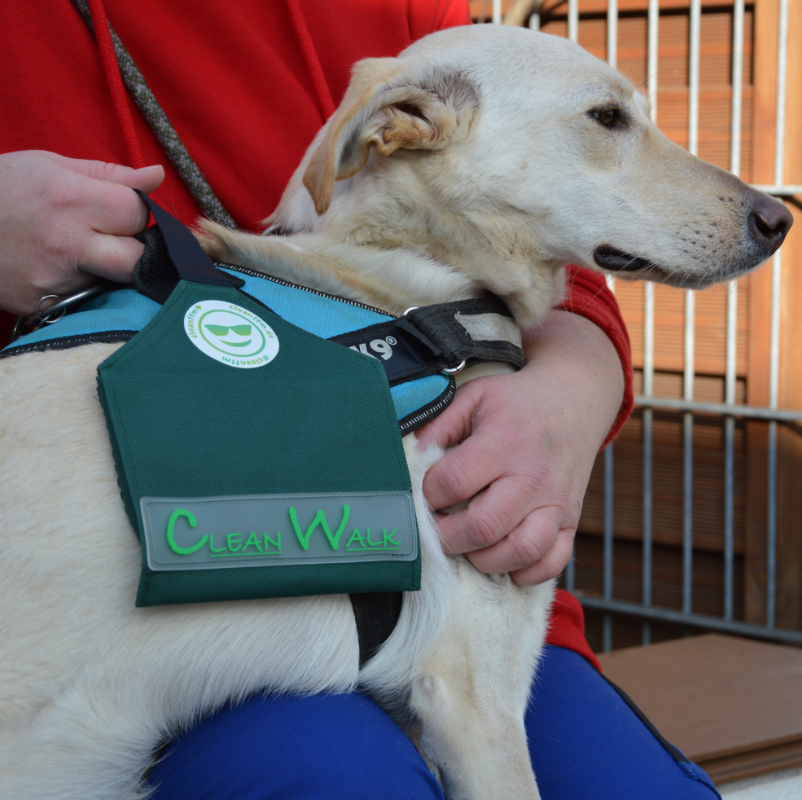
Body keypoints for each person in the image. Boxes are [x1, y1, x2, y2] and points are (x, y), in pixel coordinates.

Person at [0, 2, 721, 797]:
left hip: (417, 567)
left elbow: (553, 246)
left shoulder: (413, 22)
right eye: (610, 119)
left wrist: (567, 396)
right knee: (338, 774)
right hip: (134, 613)